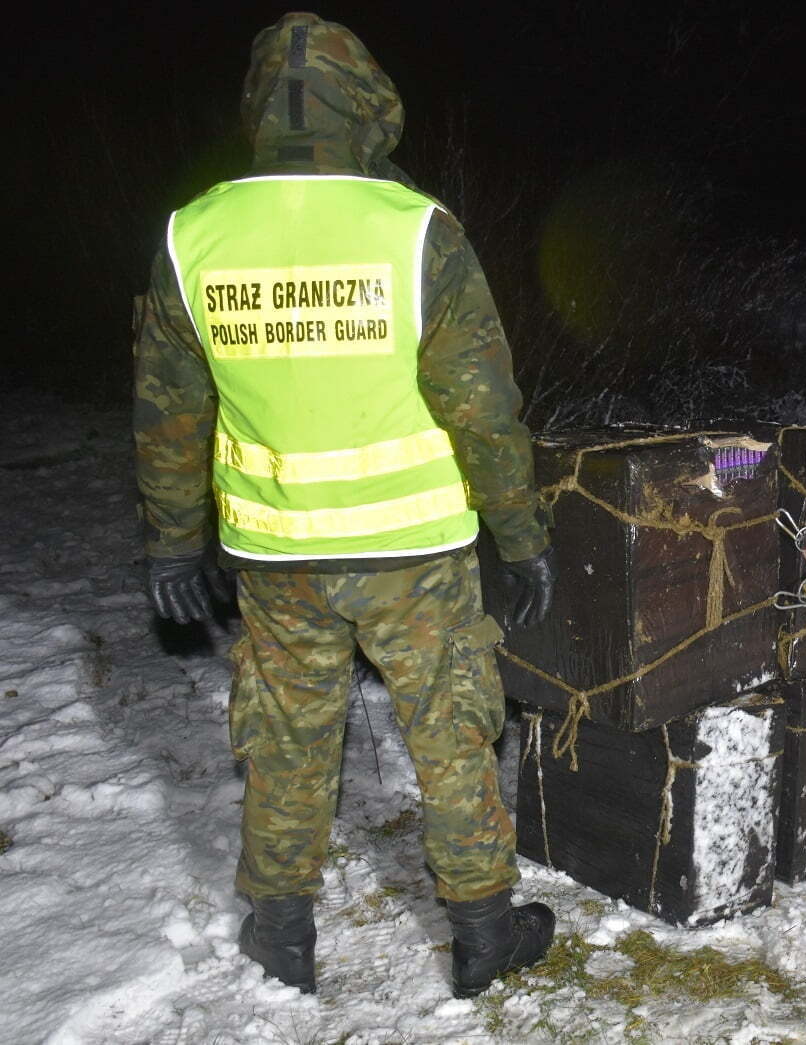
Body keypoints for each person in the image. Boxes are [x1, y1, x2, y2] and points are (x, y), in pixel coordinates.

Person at [133, 11, 557, 999]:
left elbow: (165, 416)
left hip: (275, 554)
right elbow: (486, 408)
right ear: (366, 105)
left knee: (283, 736)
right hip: (414, 549)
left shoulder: (191, 234)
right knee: (451, 732)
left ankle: (281, 931)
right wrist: (522, 533)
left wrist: (170, 545)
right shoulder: (413, 230)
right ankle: (484, 932)